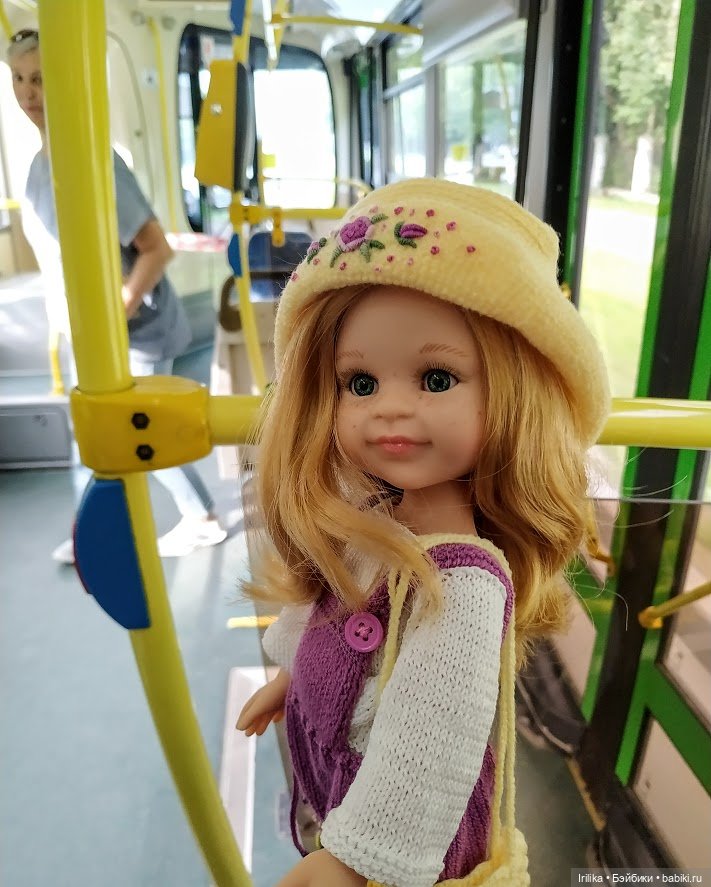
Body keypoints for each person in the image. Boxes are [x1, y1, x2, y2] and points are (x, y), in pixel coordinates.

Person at [236, 178, 610, 886]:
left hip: (404, 844)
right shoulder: (373, 519)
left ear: (514, 399)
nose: (388, 410)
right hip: (339, 788)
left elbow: (430, 745)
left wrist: (350, 864)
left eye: (436, 379)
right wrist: (294, 675)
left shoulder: (464, 586)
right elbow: (328, 602)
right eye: (360, 383)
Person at [8, 29, 227, 563]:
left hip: (133, 329)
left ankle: (196, 519)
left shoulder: (92, 161)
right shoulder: (38, 166)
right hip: (87, 330)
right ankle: (97, 532)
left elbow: (156, 249)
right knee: (94, 432)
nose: (29, 93)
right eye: (18, 79)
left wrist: (109, 320)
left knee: (133, 430)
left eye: (40, 79)